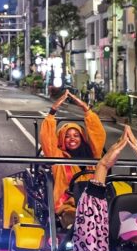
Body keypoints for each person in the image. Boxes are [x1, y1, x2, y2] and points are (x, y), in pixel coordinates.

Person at [39, 90, 106, 226]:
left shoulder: (92, 157)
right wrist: (52, 112)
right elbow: (47, 139)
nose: (72, 139)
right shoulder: (58, 158)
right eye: (67, 136)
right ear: (62, 139)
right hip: (68, 207)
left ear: (82, 138)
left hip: (93, 206)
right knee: (76, 220)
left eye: (76, 135)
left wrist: (86, 110)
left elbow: (98, 135)